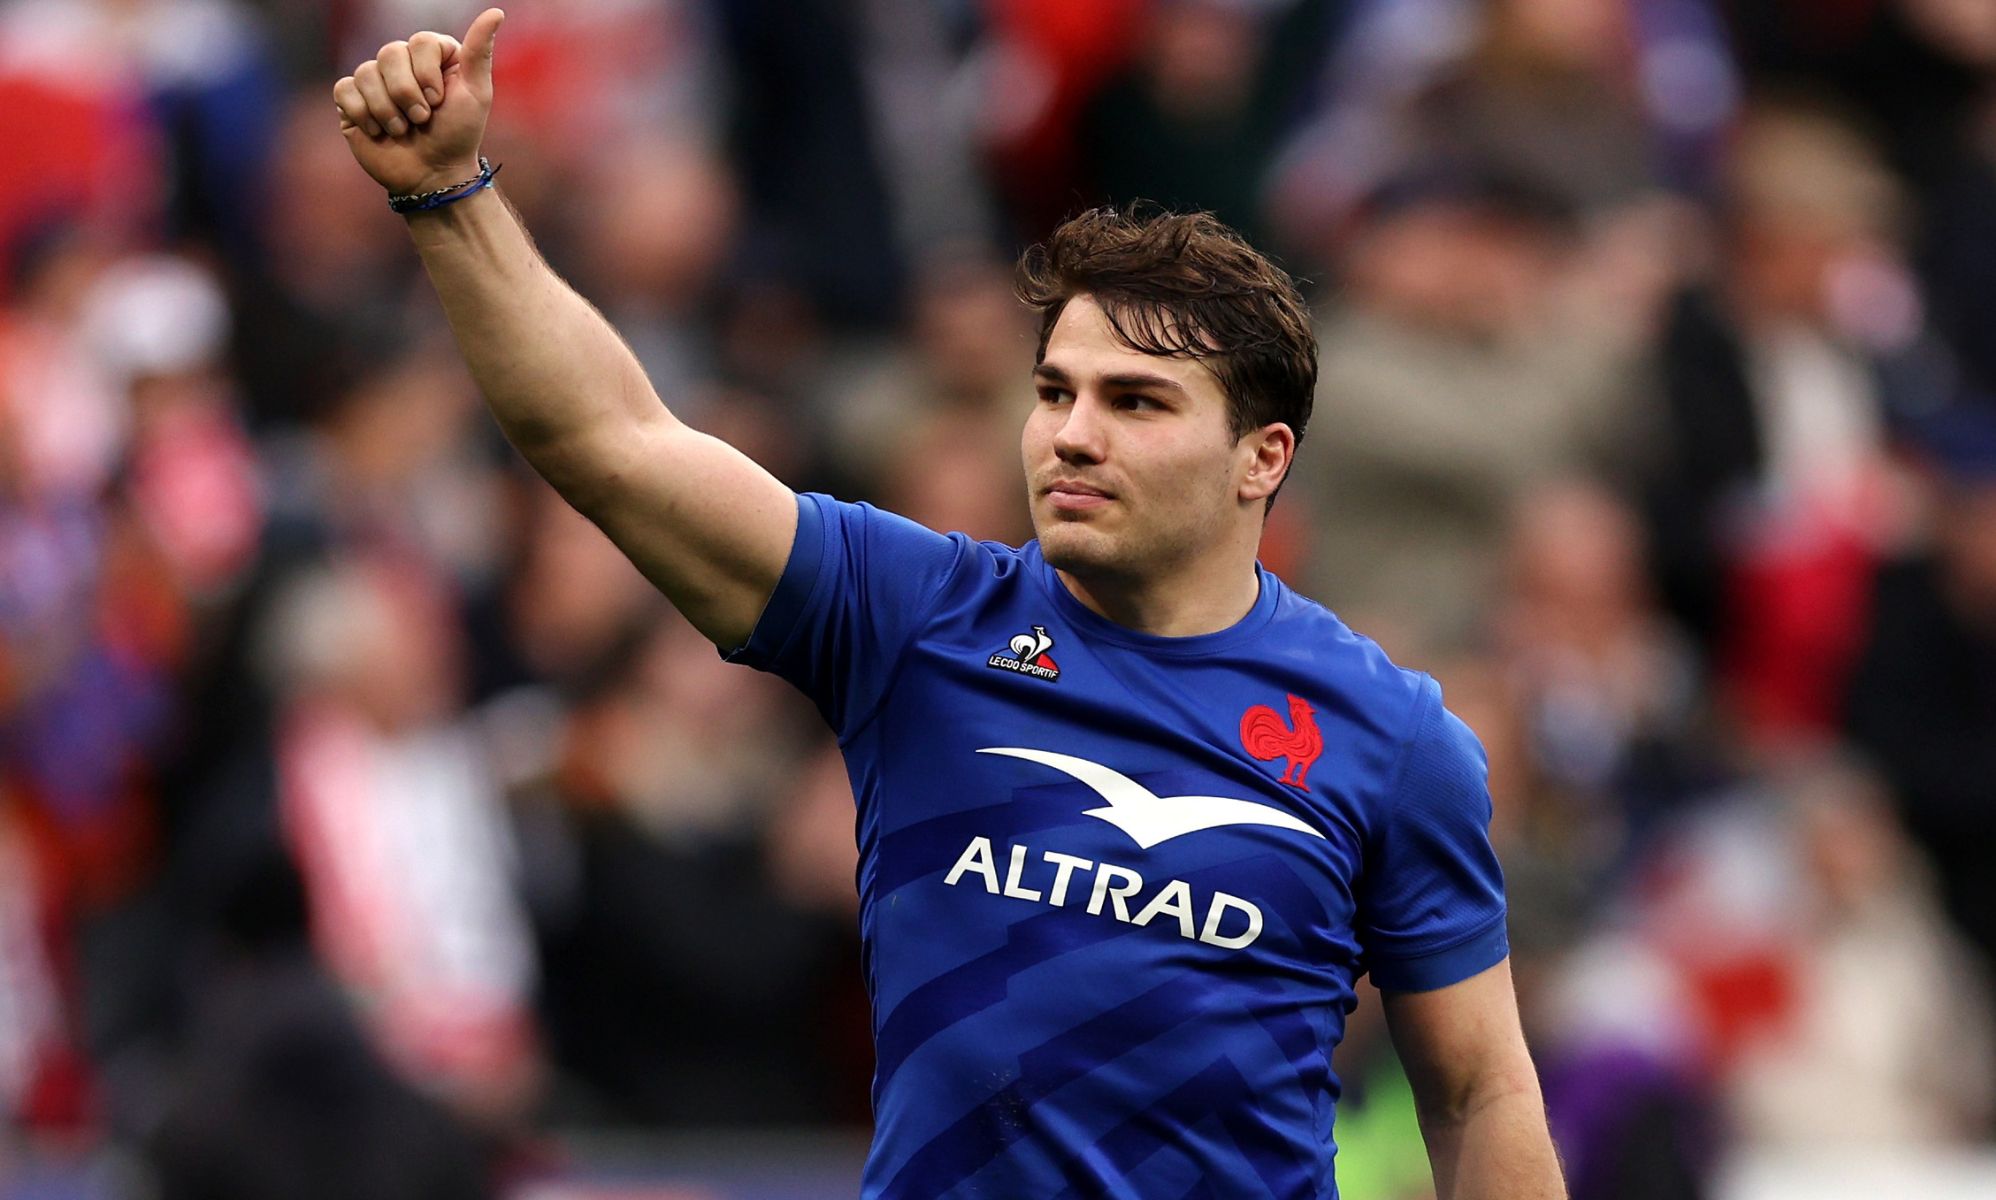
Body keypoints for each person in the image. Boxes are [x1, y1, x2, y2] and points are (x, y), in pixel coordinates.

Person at [330, 11, 1567, 1197]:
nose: (1071, 436)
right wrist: (449, 196)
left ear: (1262, 458)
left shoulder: (1390, 737)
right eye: (1053, 391)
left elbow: (1477, 1093)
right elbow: (611, 444)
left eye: (1135, 403)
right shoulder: (915, 618)